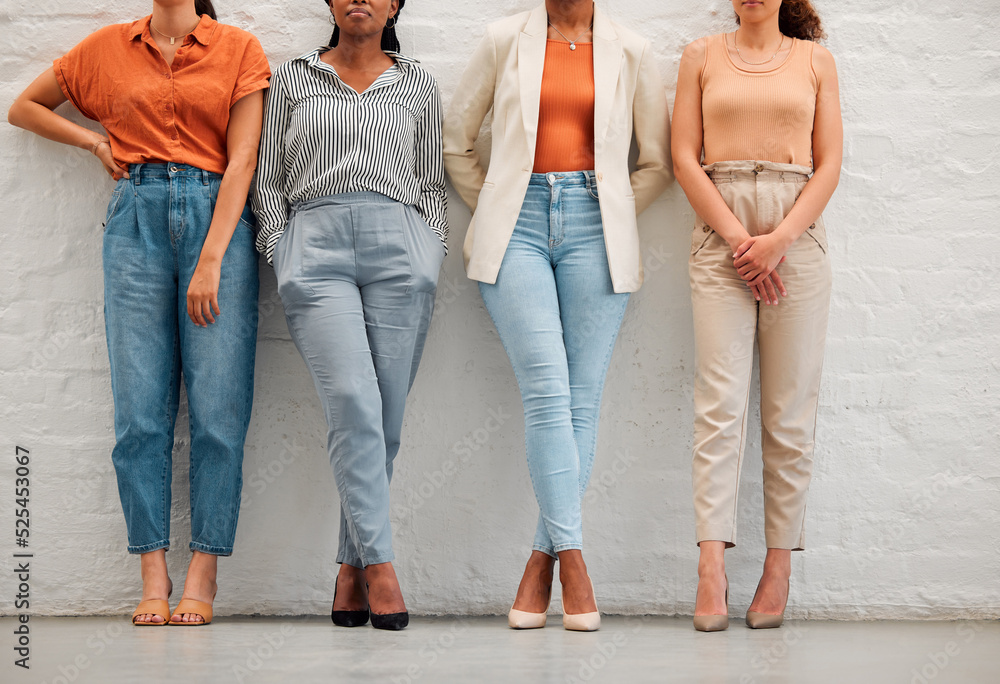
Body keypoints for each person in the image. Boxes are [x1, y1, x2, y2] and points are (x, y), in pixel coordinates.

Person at [7, 0, 270, 626]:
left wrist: (212, 258)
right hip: (134, 223)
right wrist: (93, 141)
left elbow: (243, 160)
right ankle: (153, 572)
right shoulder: (105, 49)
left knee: (218, 413)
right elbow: (23, 107)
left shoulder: (238, 47)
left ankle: (202, 575)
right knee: (139, 413)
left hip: (217, 221)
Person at [444, 0, 671, 631]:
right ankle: (574, 561)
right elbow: (454, 137)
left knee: (580, 400)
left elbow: (656, 160)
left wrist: (615, 206)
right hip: (515, 228)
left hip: (596, 228)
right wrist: (494, 202)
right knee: (547, 390)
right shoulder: (501, 40)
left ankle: (540, 561)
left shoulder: (632, 50)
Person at [253, 0, 446, 631]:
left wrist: (428, 249)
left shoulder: (418, 81)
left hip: (400, 244)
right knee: (355, 403)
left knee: (384, 421)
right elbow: (267, 178)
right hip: (316, 245)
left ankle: (348, 566)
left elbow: (433, 177)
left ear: (394, 6)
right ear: (332, 4)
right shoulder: (291, 78)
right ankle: (383, 565)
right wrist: (283, 251)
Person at [672, 0, 842, 631]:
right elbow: (685, 157)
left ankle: (778, 568)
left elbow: (828, 164)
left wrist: (778, 241)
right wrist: (742, 241)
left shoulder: (815, 60)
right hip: (721, 234)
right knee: (718, 405)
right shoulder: (700, 56)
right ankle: (710, 569)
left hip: (795, 235)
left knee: (789, 410)